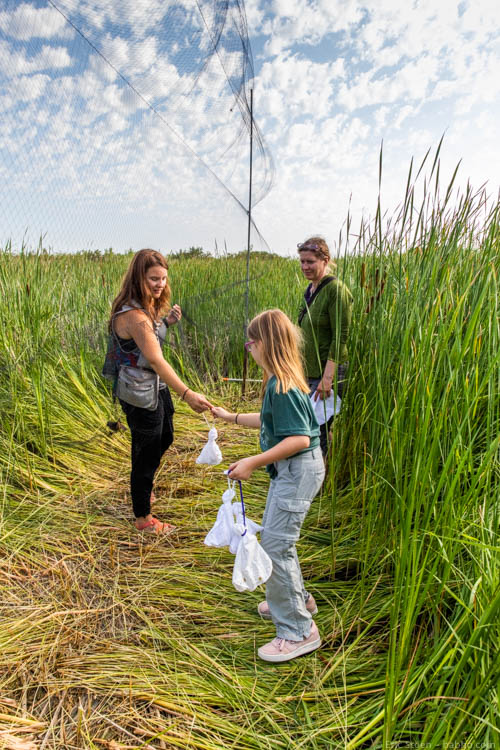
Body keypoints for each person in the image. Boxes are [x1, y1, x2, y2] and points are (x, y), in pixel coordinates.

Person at [211, 309, 325, 663]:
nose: (249, 347)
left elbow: (298, 440)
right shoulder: (281, 379)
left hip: (297, 470)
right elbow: (270, 420)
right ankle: (296, 599)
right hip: (292, 471)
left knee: (276, 546)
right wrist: (229, 416)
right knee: (280, 541)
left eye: (252, 341)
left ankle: (298, 631)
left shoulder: (282, 384)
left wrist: (251, 462)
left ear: (267, 343)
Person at [104, 248, 212, 534]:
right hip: (139, 391)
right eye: (153, 278)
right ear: (139, 277)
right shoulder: (134, 315)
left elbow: (148, 338)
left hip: (154, 386)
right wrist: (187, 394)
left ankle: (143, 480)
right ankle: (144, 519)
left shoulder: (145, 308)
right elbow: (154, 358)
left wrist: (167, 323)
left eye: (163, 278)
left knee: (164, 436)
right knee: (147, 449)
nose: (160, 284)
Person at [297, 236, 353, 456]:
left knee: (316, 429)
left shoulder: (336, 290)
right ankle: (320, 475)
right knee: (316, 426)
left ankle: (320, 482)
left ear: (325, 260)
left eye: (310, 261)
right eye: (302, 261)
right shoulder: (310, 290)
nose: (305, 266)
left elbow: (342, 336)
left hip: (326, 371)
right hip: (309, 370)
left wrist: (327, 378)